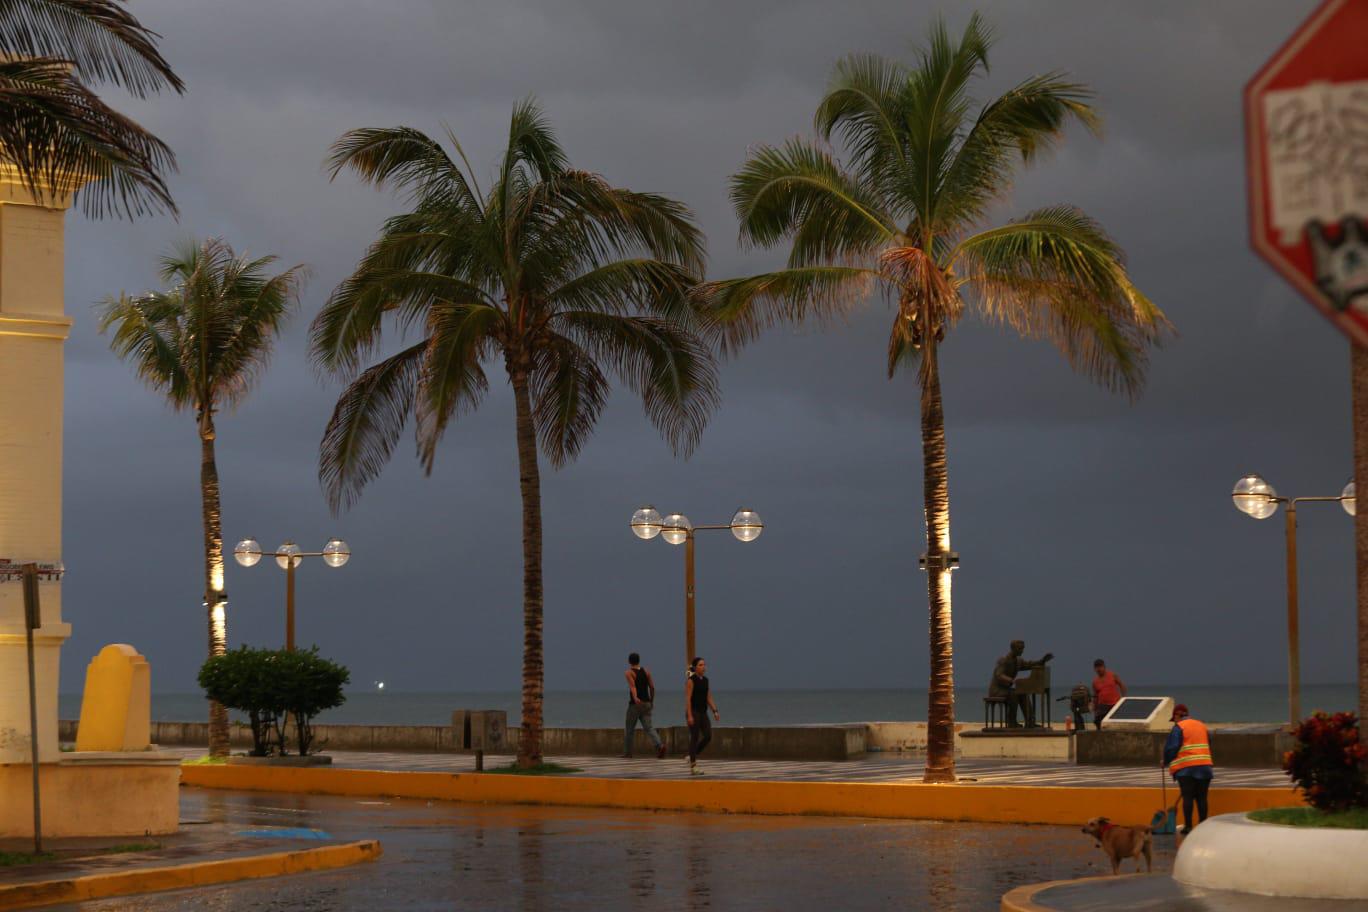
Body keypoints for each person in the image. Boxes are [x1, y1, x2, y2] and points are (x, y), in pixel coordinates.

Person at [1163, 703, 1214, 835]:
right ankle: (1203, 825)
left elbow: (1172, 748)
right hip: (1204, 766)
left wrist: (1165, 760)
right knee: (1202, 798)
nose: (1174, 721)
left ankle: (1188, 826)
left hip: (1186, 769)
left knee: (1188, 797)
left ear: (1176, 715)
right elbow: (1209, 742)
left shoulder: (1178, 727)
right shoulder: (1201, 725)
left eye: (1173, 718)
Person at [988, 640, 1053, 727]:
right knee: (1014, 694)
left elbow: (1029, 664)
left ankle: (1030, 721)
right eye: (1020, 648)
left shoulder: (1019, 661)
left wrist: (1042, 661)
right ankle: (1011, 722)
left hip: (1007, 689)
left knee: (1023, 693)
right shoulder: (1003, 660)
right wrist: (1011, 680)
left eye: (1023, 648)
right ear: (1013, 649)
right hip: (997, 690)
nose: (1022, 650)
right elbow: (999, 675)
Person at [623, 653, 666, 759]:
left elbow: (633, 687)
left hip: (635, 705)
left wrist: (635, 697)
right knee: (649, 728)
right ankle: (659, 745)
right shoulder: (646, 671)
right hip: (647, 703)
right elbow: (652, 687)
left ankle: (628, 753)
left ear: (629, 661)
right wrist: (652, 701)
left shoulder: (629, 672)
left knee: (629, 729)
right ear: (639, 661)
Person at [685, 656, 719, 774]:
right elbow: (688, 699)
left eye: (704, 665)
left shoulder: (706, 680)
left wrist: (715, 711)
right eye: (700, 665)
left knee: (708, 736)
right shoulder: (691, 680)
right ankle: (693, 767)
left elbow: (708, 697)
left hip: (703, 712)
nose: (703, 667)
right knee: (694, 737)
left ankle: (692, 755)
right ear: (695, 668)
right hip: (693, 711)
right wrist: (689, 715)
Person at [1091, 659, 1127, 729]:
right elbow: (1095, 696)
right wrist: (1094, 708)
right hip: (1102, 706)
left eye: (1100, 667)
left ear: (1104, 667)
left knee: (1115, 725)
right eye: (1097, 667)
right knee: (1097, 721)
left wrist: (1123, 699)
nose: (1099, 669)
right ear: (1095, 669)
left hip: (1114, 704)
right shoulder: (1095, 682)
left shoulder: (1113, 675)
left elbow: (1122, 686)